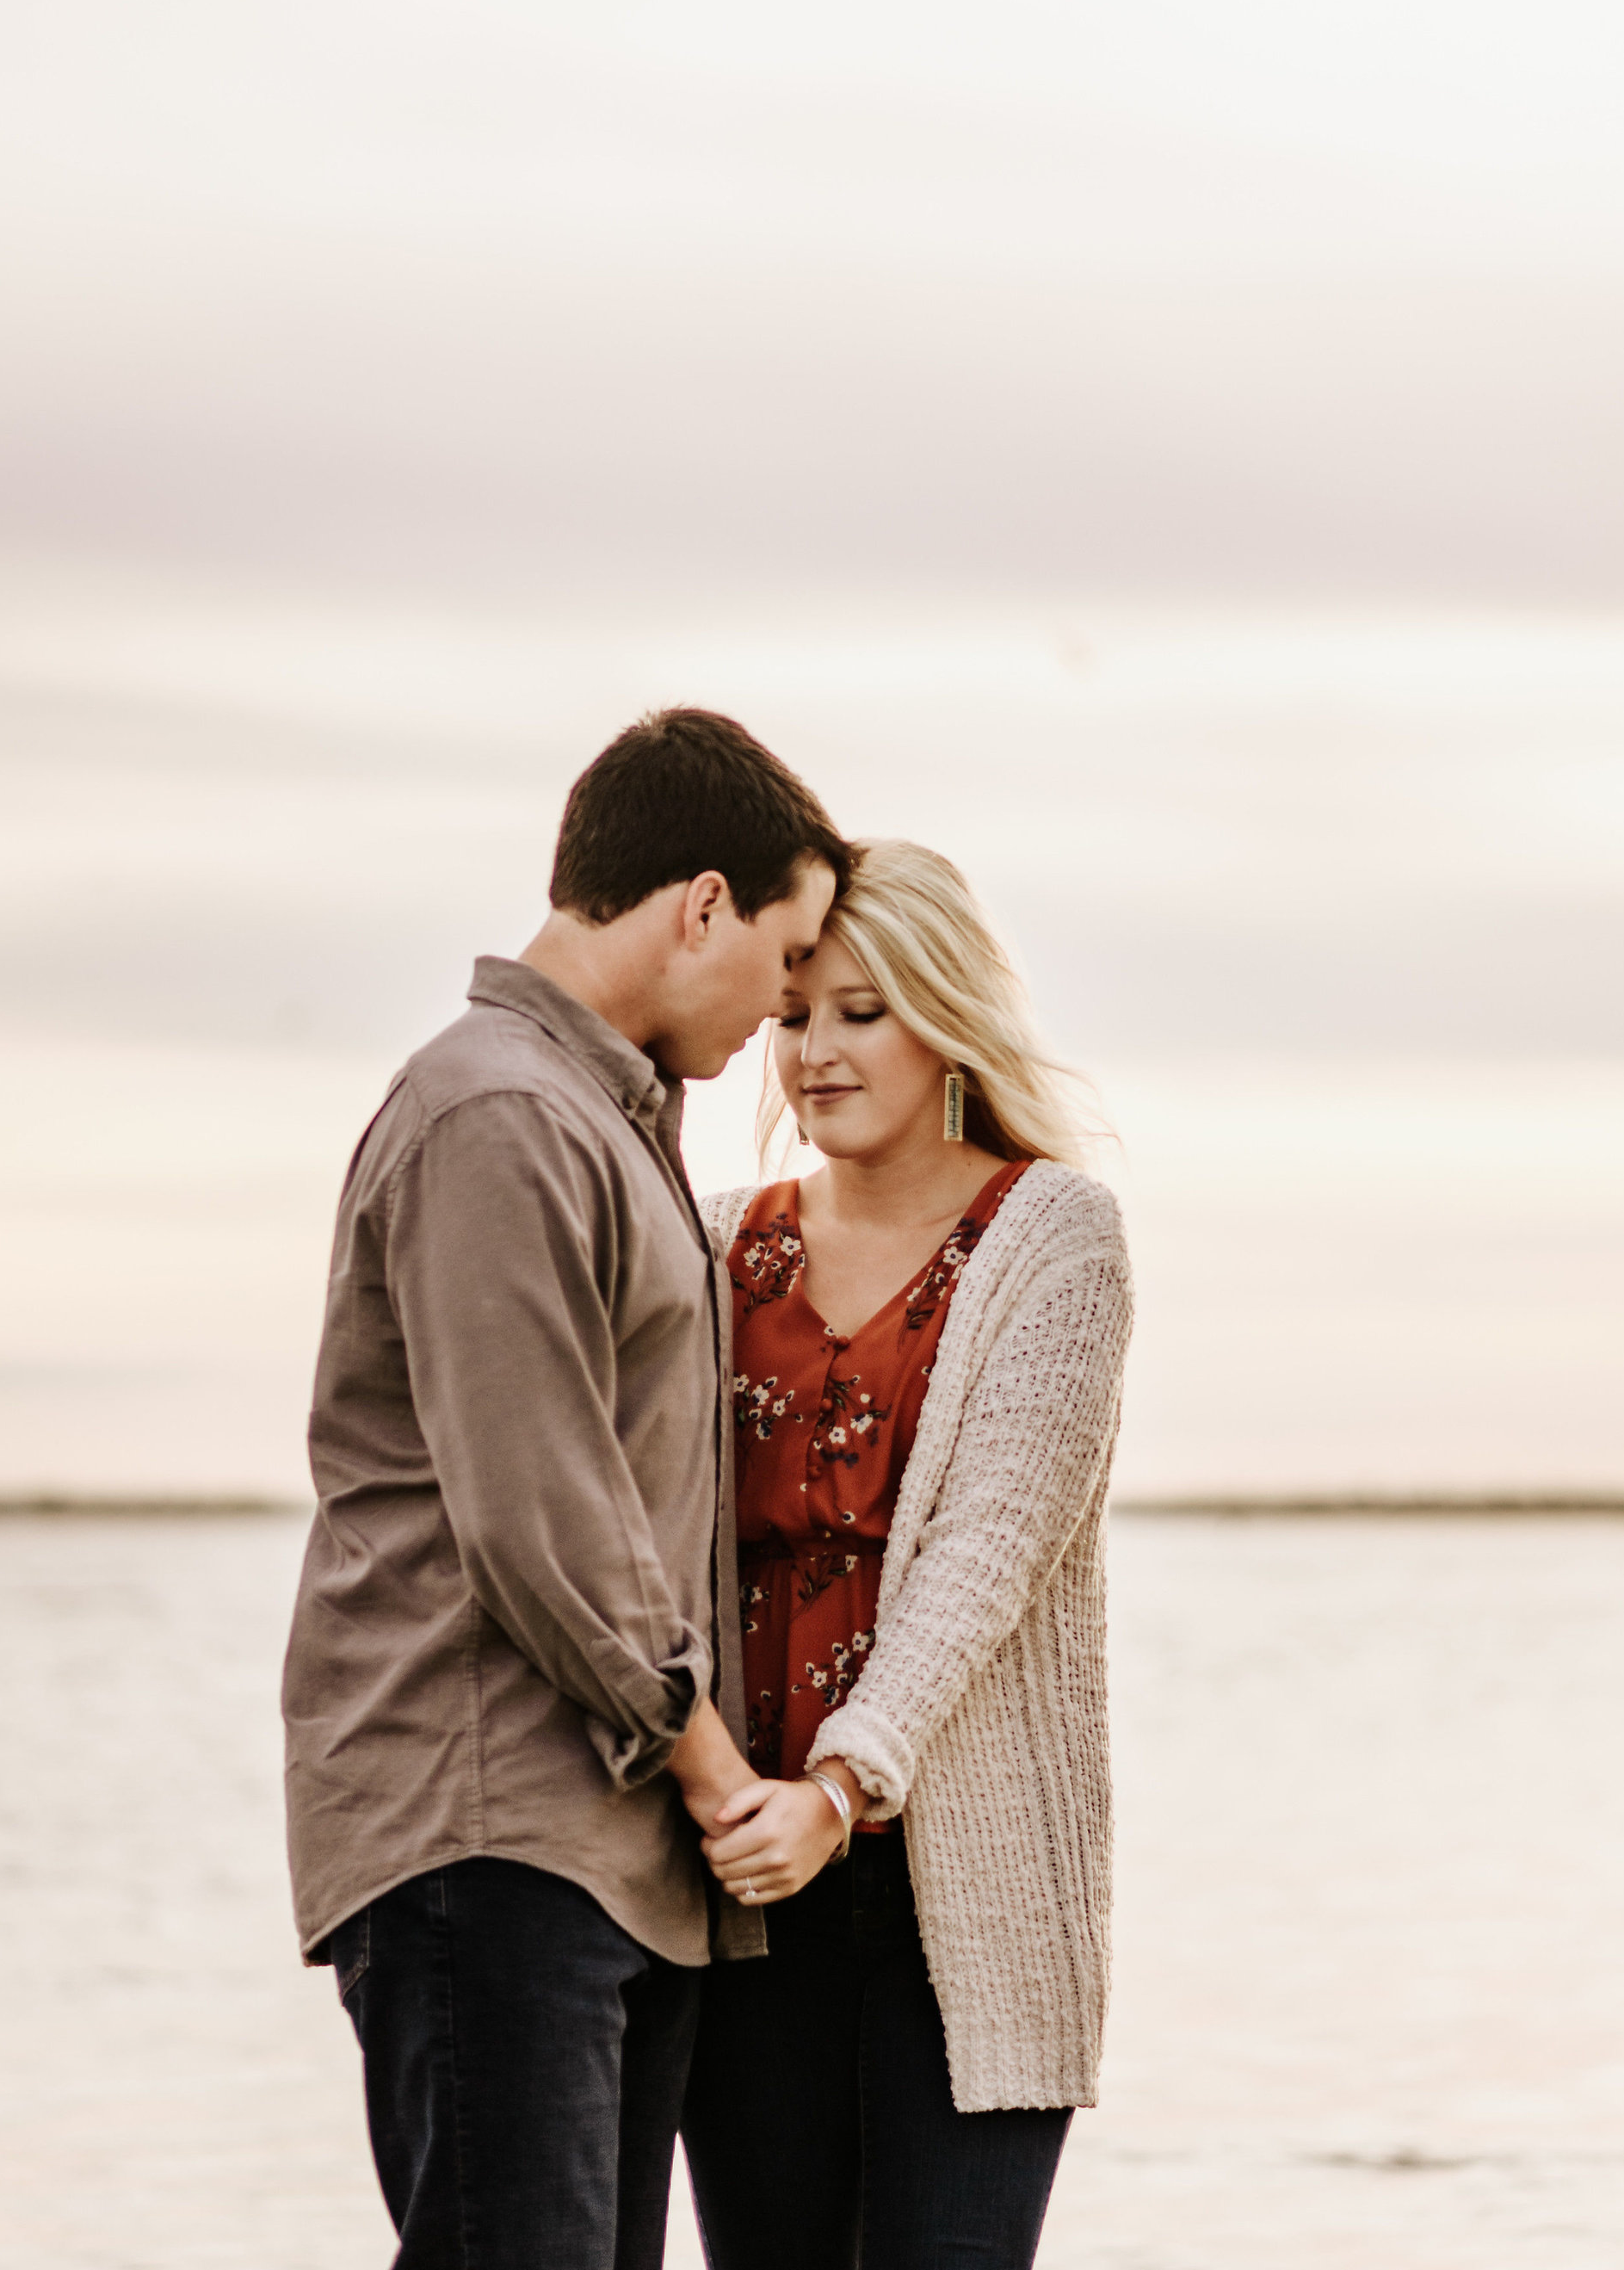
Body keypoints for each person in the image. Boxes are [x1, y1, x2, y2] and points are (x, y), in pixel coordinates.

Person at [281, 707, 849, 2270]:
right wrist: (715, 1768)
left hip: (605, 1855)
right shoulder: (502, 1112)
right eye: (788, 955)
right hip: (492, 1833)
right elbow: (540, 1511)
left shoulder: (603, 1114)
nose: (787, 1009)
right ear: (703, 904)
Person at [681, 839, 1134, 2270]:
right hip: (741, 1881)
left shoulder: (1053, 1235)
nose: (815, 1052)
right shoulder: (711, 1245)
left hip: (971, 1893)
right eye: (796, 1014)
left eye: (861, 1011)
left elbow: (989, 1558)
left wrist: (842, 1783)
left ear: (947, 1014)